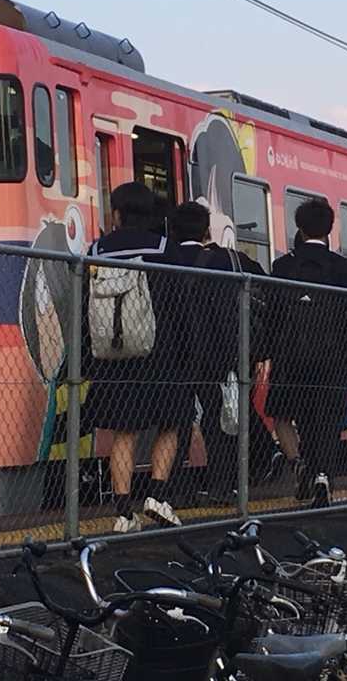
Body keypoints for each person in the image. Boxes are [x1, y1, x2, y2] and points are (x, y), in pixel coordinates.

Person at [81, 181, 180, 532]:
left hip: (114, 355)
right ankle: (157, 495)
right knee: (170, 424)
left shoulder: (97, 250)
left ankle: (123, 513)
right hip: (161, 353)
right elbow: (180, 304)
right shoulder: (164, 249)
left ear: (117, 214)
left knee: (124, 433)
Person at [266, 198, 347, 509]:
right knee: (328, 420)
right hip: (333, 359)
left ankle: (299, 464)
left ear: (300, 227)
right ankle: (323, 476)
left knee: (287, 414)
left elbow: (271, 315)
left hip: (289, 359)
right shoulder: (343, 268)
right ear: (329, 229)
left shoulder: (282, 266)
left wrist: (267, 350)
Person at [168, 201, 266, 503]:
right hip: (216, 353)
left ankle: (172, 488)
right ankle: (221, 486)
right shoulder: (226, 260)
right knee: (216, 419)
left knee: (176, 421)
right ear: (206, 231)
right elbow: (261, 280)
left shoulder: (165, 257)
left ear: (172, 230)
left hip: (174, 353)